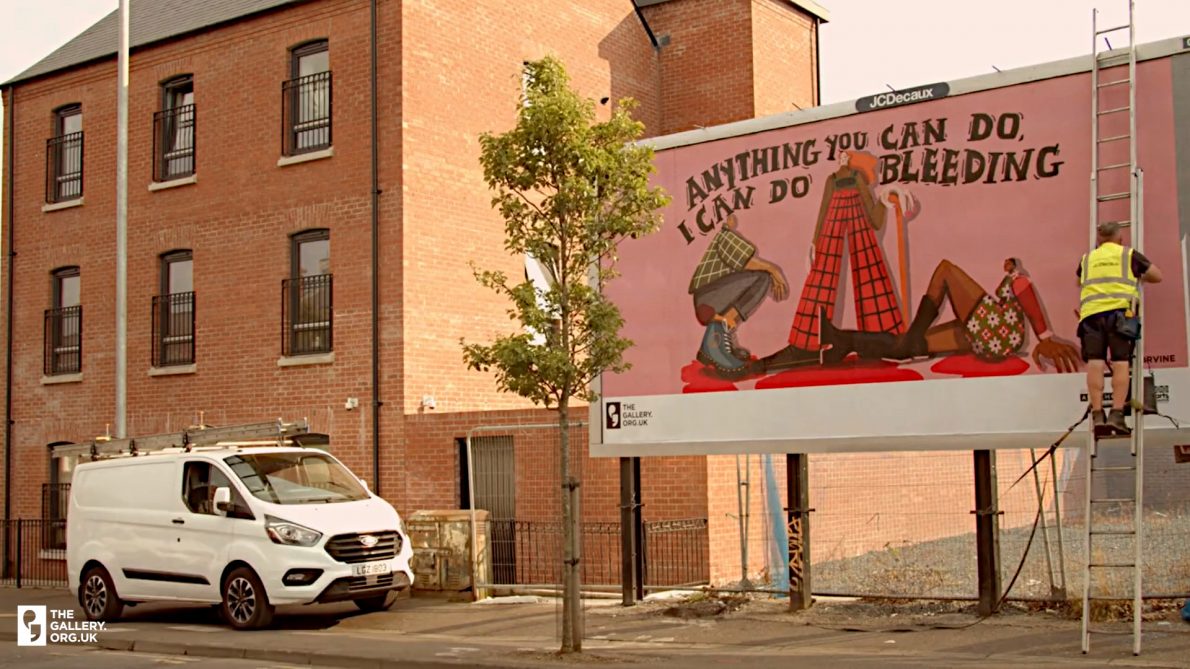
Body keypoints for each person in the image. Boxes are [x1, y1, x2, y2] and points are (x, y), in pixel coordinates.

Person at [761, 149, 915, 372]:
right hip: (836, 239)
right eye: (841, 157)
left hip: (853, 236)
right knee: (842, 279)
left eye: (846, 157)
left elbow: (864, 218)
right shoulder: (836, 180)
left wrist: (885, 196)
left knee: (861, 278)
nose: (842, 160)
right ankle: (815, 344)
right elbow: (831, 214)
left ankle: (868, 340)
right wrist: (814, 242)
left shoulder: (847, 179)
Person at [816, 257, 1081, 372]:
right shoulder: (1010, 280)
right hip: (988, 338)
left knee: (945, 270)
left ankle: (908, 339)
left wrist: (1045, 336)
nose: (1006, 264)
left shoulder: (1017, 279)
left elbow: (1026, 294)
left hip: (996, 327)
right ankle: (843, 341)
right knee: (909, 346)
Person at [1077, 220, 1162, 435]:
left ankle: (1097, 416)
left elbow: (1080, 281)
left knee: (1095, 364)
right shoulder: (1129, 255)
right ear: (1120, 237)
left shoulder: (1087, 259)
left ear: (1099, 240)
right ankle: (1116, 415)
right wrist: (1136, 275)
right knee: (1121, 363)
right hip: (1120, 316)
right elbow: (1157, 276)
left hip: (1090, 316)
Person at [688, 213, 788, 377]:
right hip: (708, 300)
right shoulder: (725, 237)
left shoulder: (726, 237)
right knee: (763, 277)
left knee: (762, 277)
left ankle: (717, 339)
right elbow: (745, 260)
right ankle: (715, 345)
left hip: (713, 297)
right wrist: (773, 269)